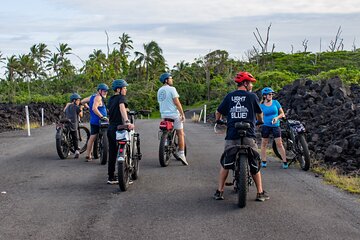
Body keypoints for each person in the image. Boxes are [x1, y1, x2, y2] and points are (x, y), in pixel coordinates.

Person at [213, 71, 269, 202]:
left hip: (232, 134)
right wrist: (260, 121)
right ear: (245, 83)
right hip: (249, 134)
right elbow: (259, 114)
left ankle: (219, 191)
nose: (251, 86)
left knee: (226, 163)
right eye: (250, 83)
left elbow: (218, 112)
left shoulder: (229, 96)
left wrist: (219, 120)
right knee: (254, 161)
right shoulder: (252, 97)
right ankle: (260, 192)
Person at [107, 79, 134, 184]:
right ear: (119, 89)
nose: (126, 90)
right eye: (124, 88)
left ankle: (111, 177)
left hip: (111, 128)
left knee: (112, 153)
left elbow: (115, 110)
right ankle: (127, 172)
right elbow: (122, 107)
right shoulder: (121, 98)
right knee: (125, 148)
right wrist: (127, 121)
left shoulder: (111, 99)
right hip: (120, 128)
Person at [157, 73, 188, 166]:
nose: (172, 80)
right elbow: (177, 103)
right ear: (166, 80)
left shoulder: (159, 90)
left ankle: (166, 143)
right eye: (170, 78)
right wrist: (182, 114)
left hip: (164, 115)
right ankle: (182, 154)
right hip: (174, 115)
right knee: (180, 133)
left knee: (166, 131)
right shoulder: (172, 89)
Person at [259, 87, 287, 169]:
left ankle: (285, 161)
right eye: (269, 94)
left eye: (271, 94)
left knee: (279, 143)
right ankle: (264, 161)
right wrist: (259, 122)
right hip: (266, 126)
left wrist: (277, 118)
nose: (271, 95)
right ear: (264, 96)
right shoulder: (261, 106)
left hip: (276, 125)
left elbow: (282, 113)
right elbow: (259, 116)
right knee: (264, 143)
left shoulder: (276, 102)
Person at [81, 83, 109, 161]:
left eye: (106, 91)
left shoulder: (92, 96)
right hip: (100, 121)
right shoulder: (98, 98)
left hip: (93, 120)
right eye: (104, 91)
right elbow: (94, 108)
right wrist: (102, 117)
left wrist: (87, 107)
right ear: (99, 91)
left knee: (92, 137)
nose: (106, 92)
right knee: (108, 134)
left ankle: (88, 155)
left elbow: (82, 101)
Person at [63, 93, 84, 159]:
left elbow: (64, 111)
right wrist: (81, 108)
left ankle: (67, 150)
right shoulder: (76, 107)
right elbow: (81, 115)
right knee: (75, 137)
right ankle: (76, 151)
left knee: (67, 136)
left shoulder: (67, 106)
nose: (79, 101)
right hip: (73, 124)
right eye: (78, 100)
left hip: (66, 123)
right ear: (74, 100)